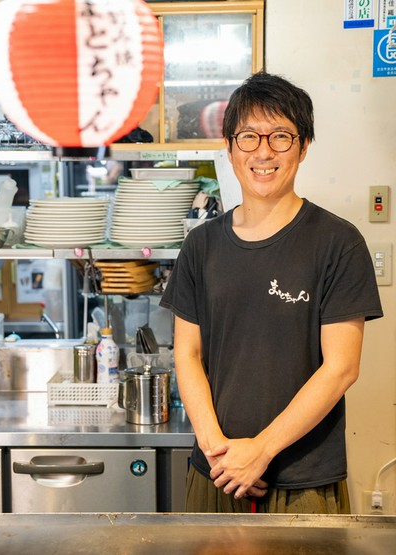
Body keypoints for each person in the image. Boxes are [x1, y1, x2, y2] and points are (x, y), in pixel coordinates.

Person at [159, 71, 383, 514]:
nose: (263, 152)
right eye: (248, 137)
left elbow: (341, 368)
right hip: (216, 472)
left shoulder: (338, 243)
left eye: (281, 136)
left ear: (303, 146)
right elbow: (187, 354)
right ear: (229, 148)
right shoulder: (201, 245)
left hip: (304, 480)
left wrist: (260, 450)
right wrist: (219, 451)